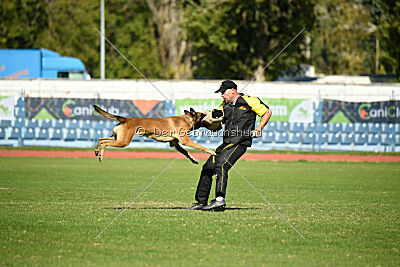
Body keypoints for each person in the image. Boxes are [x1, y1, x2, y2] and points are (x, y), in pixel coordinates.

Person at [188, 80, 272, 211]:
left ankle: (219, 200)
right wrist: (203, 119)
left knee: (221, 165)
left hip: (240, 142)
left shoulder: (250, 100)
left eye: (223, 92)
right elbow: (216, 116)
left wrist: (258, 128)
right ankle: (201, 202)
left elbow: (267, 112)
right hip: (226, 142)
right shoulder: (224, 105)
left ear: (232, 91)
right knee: (207, 167)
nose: (221, 95)